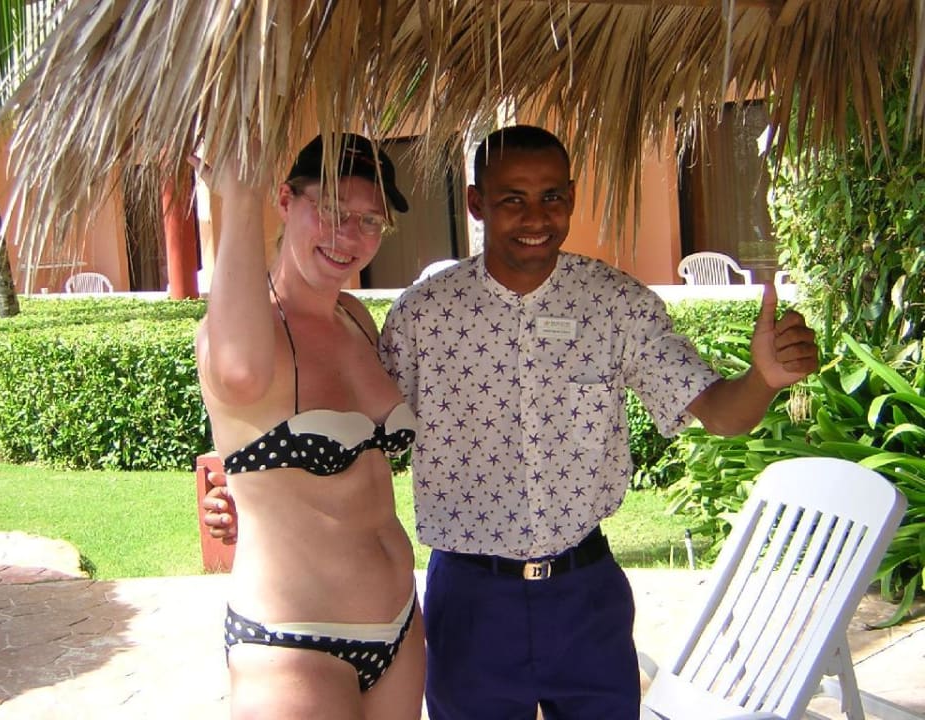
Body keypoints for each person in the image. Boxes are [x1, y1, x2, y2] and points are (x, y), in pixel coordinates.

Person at [204, 125, 819, 719]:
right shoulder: (423, 315)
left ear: (571, 197)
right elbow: (280, 409)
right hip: (469, 598)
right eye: (511, 200)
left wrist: (762, 379)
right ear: (476, 204)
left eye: (552, 197)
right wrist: (249, 491)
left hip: (585, 592)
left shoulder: (616, 305)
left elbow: (718, 410)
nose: (535, 217)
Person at [195, 133, 425, 720]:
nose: (349, 236)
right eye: (330, 210)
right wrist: (236, 198)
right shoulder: (253, 333)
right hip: (293, 643)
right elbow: (237, 373)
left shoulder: (355, 316)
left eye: (370, 220)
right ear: (283, 200)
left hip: (400, 625)